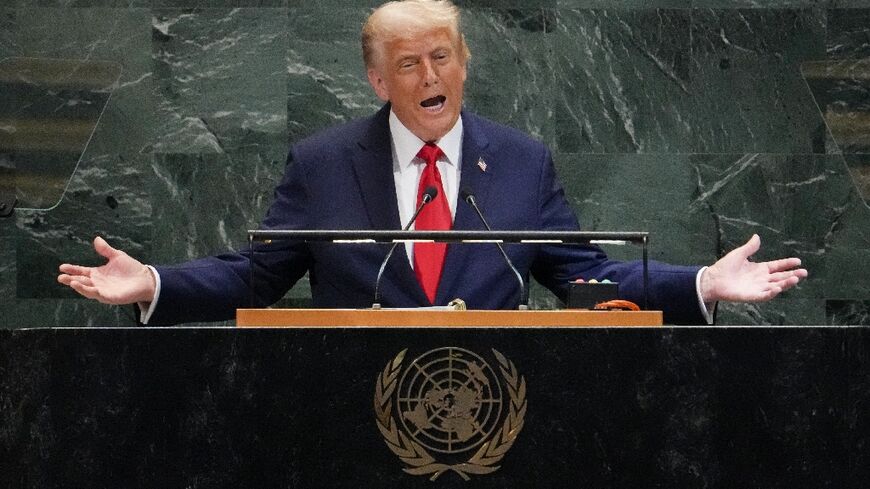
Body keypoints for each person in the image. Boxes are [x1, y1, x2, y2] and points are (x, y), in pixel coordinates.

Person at [57, 0, 806, 325]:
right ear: (378, 82)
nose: (429, 78)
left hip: (493, 417)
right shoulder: (323, 165)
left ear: (464, 65)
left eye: (441, 58)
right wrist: (152, 283)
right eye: (408, 65)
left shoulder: (520, 162)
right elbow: (256, 274)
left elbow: (587, 279)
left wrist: (704, 283)